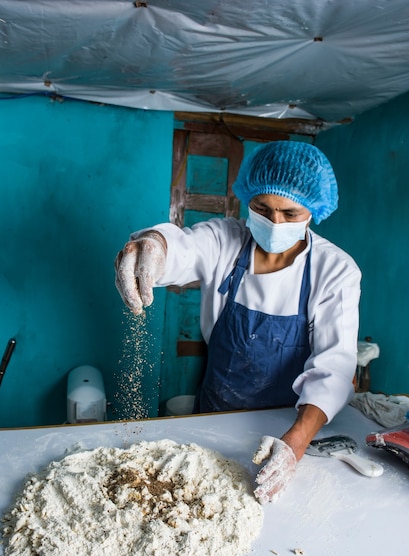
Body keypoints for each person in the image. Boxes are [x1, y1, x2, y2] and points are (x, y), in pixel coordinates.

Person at [115, 141, 361, 503]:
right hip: (213, 415)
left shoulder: (335, 271)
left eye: (290, 214)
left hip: (286, 426)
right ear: (248, 198)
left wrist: (293, 446)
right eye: (262, 209)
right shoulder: (226, 240)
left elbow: (334, 370)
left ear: (313, 209)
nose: (274, 222)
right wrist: (152, 245)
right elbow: (183, 247)